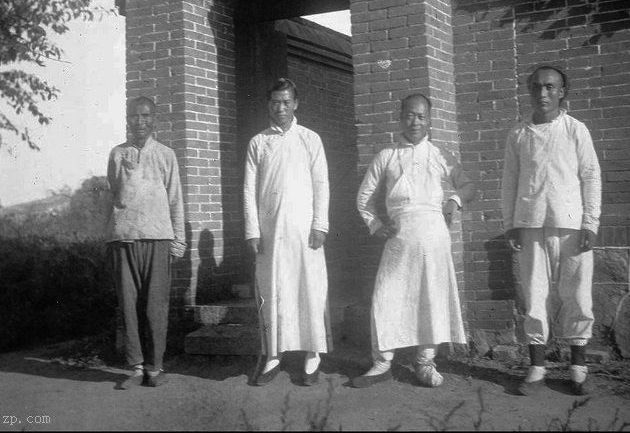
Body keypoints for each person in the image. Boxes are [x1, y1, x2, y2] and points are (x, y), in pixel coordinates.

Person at [354, 93, 475, 388]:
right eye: (409, 115)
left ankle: (425, 362)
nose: (415, 122)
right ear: (400, 117)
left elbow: (468, 185)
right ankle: (382, 362)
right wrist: (375, 224)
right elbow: (364, 198)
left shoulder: (439, 154)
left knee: (430, 298)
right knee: (386, 297)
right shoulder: (387, 155)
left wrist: (453, 202)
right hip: (400, 238)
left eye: (421, 116)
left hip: (434, 235)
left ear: (430, 119)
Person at [502, 66, 602, 396]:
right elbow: (510, 183)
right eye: (535, 88)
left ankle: (578, 369)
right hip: (530, 225)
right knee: (534, 296)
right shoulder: (518, 134)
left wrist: (590, 223)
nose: (541, 93)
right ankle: (536, 368)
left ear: (562, 92)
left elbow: (590, 176)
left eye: (549, 87)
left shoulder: (575, 130)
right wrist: (510, 224)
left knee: (577, 294)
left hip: (572, 226)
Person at [243, 78, 331, 386]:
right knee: (274, 291)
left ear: (295, 104)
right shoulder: (258, 142)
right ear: (269, 105)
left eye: (286, 101)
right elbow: (249, 190)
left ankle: (312, 353)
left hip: (304, 232)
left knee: (308, 289)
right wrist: (253, 231)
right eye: (274, 102)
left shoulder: (310, 139)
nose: (280, 107)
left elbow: (322, 184)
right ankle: (274, 355)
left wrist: (320, 224)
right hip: (271, 233)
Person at [106, 96, 186, 389]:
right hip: (125, 238)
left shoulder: (166, 155)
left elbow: (176, 199)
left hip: (158, 238)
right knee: (128, 306)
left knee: (155, 306)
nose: (139, 122)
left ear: (154, 120)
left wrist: (178, 242)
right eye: (134, 116)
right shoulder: (117, 154)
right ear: (127, 119)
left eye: (145, 116)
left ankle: (155, 367)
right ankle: (136, 367)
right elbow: (115, 193)